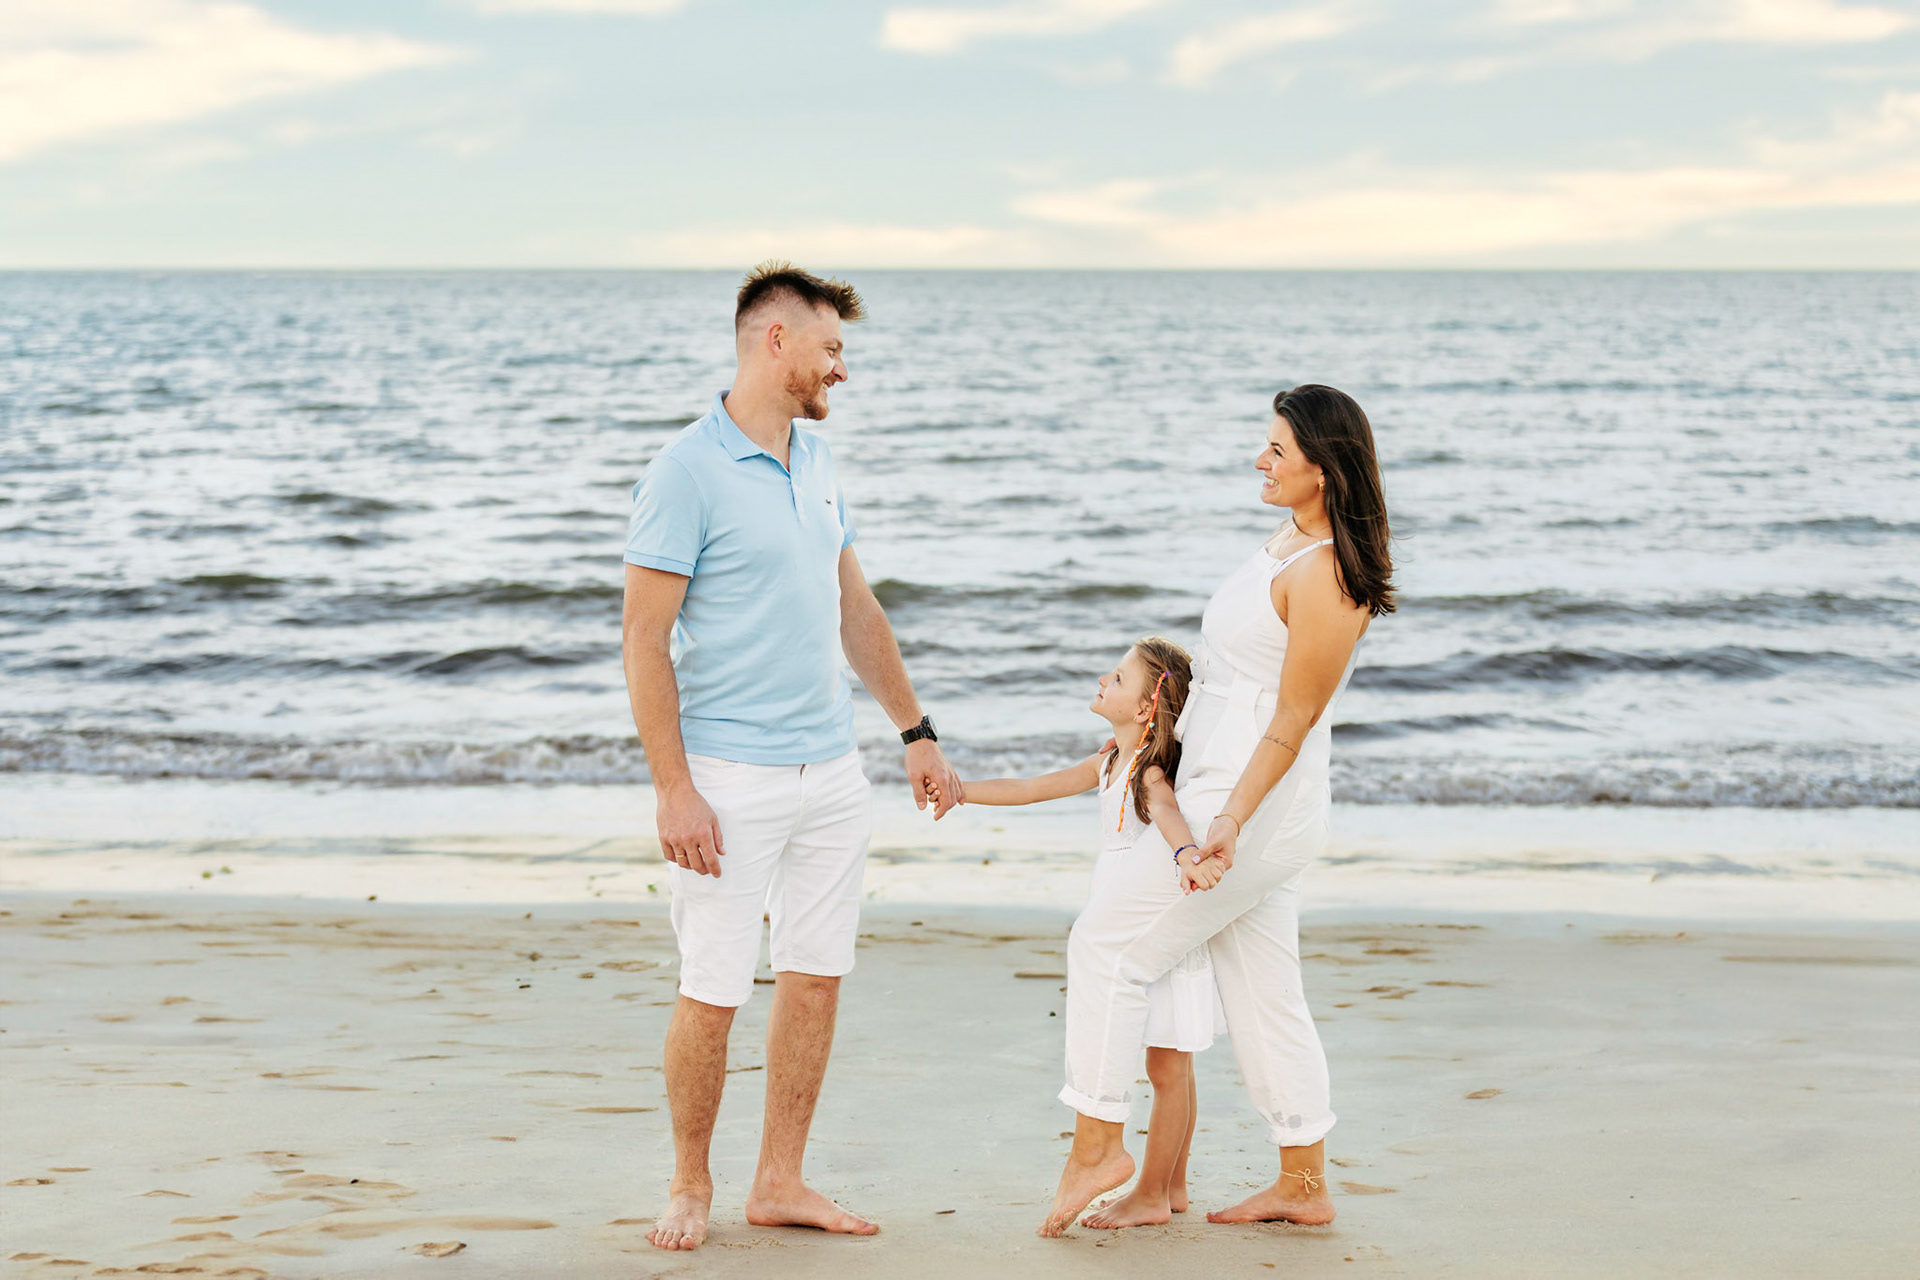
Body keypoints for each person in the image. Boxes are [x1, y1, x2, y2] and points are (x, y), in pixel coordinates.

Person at [621, 261, 963, 1252]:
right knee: (715, 987)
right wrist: (674, 787)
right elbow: (645, 638)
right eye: (832, 349)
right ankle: (690, 1182)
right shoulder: (684, 471)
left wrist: (916, 731)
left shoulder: (815, 464)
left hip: (832, 774)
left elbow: (855, 609)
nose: (841, 370)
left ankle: (779, 1178)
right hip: (729, 779)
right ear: (778, 341)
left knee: (815, 976)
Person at [1039, 384, 1395, 1237]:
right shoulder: (1288, 541)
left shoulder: (1330, 575)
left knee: (1109, 945)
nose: (1260, 459)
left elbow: (1293, 719)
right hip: (1222, 786)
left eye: (1277, 449)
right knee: (1263, 987)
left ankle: (1098, 1142)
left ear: (1324, 462)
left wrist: (1229, 822)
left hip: (1253, 800)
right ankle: (1302, 1183)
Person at [962, 637, 1226, 1229]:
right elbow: (1032, 788)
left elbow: (1165, 811)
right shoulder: (1107, 762)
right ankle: (1171, 1185)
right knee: (1167, 1060)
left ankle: (1159, 1191)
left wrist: (1186, 852)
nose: (1103, 681)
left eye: (1117, 677)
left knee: (1168, 1063)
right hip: (1120, 913)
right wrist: (962, 793)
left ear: (1143, 709)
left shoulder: (1148, 769)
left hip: (1154, 916)